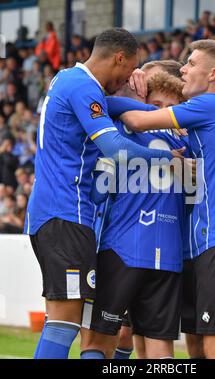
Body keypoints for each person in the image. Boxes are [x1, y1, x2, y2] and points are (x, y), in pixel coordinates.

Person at [24, 28, 183, 360]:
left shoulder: (69, 81)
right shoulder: (83, 87)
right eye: (129, 70)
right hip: (65, 213)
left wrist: (162, 114)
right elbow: (114, 147)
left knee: (70, 321)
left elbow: (112, 104)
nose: (129, 78)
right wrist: (166, 157)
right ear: (119, 58)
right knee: (63, 325)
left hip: (59, 213)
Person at [113, 39, 215, 359]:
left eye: (191, 63)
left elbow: (138, 121)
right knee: (204, 344)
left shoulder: (210, 106)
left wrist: (105, 98)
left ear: (212, 74)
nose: (183, 69)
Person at [80, 72, 192, 359]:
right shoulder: (188, 142)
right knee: (159, 348)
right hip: (168, 256)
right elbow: (193, 199)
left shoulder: (122, 131)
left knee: (96, 342)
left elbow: (98, 193)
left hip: (123, 247)